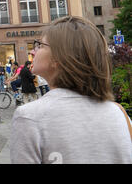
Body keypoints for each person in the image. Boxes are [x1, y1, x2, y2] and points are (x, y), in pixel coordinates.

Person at [11, 16, 132, 164]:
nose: (33, 51)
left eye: (39, 45)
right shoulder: (118, 114)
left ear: (58, 58)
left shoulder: (29, 117)